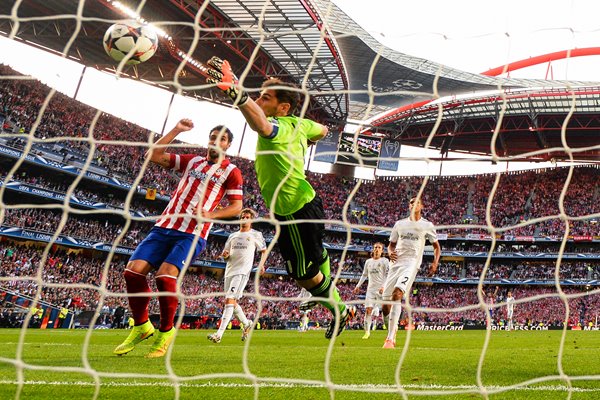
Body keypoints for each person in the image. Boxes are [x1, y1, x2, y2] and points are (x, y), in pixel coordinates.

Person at [206, 57, 355, 338]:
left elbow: (261, 125)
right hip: (305, 202)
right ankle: (327, 295)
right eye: (259, 97)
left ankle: (338, 308)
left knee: (302, 274)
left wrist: (235, 92)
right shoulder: (300, 124)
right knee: (315, 256)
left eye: (266, 97)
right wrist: (311, 138)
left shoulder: (279, 128)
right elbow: (322, 130)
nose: (260, 101)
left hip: (294, 210)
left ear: (283, 107)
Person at [113, 119, 243, 358]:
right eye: (213, 136)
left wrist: (211, 214)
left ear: (229, 145)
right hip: (164, 226)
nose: (216, 141)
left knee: (164, 277)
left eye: (222, 138)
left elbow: (236, 206)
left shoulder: (231, 172)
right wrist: (176, 130)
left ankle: (165, 331)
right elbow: (153, 155)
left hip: (193, 232)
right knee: (132, 272)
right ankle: (142, 326)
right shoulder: (192, 161)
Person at [382, 197, 441, 349]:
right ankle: (391, 327)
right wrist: (389, 253)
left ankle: (390, 339)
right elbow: (391, 245)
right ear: (409, 206)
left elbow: (436, 247)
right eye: (411, 202)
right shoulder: (399, 224)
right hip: (395, 264)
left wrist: (435, 262)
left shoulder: (427, 225)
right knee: (385, 305)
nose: (414, 204)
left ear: (421, 205)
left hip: (411, 263)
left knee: (397, 295)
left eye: (417, 202)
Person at [208, 208, 267, 344]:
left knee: (229, 300)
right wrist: (225, 255)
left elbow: (264, 251)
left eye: (247, 217)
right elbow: (226, 254)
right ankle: (246, 323)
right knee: (232, 303)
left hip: (242, 272)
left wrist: (262, 265)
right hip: (229, 271)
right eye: (242, 216)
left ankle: (219, 334)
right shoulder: (232, 236)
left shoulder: (256, 234)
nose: (244, 219)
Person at [353, 242, 389, 339]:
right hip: (370, 290)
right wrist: (358, 286)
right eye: (375, 247)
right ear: (373, 249)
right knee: (368, 310)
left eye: (379, 248)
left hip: (381, 290)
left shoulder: (385, 261)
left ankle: (390, 331)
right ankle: (367, 332)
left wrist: (383, 286)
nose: (377, 249)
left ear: (382, 251)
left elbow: (387, 275)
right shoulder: (368, 262)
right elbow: (364, 275)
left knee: (386, 310)